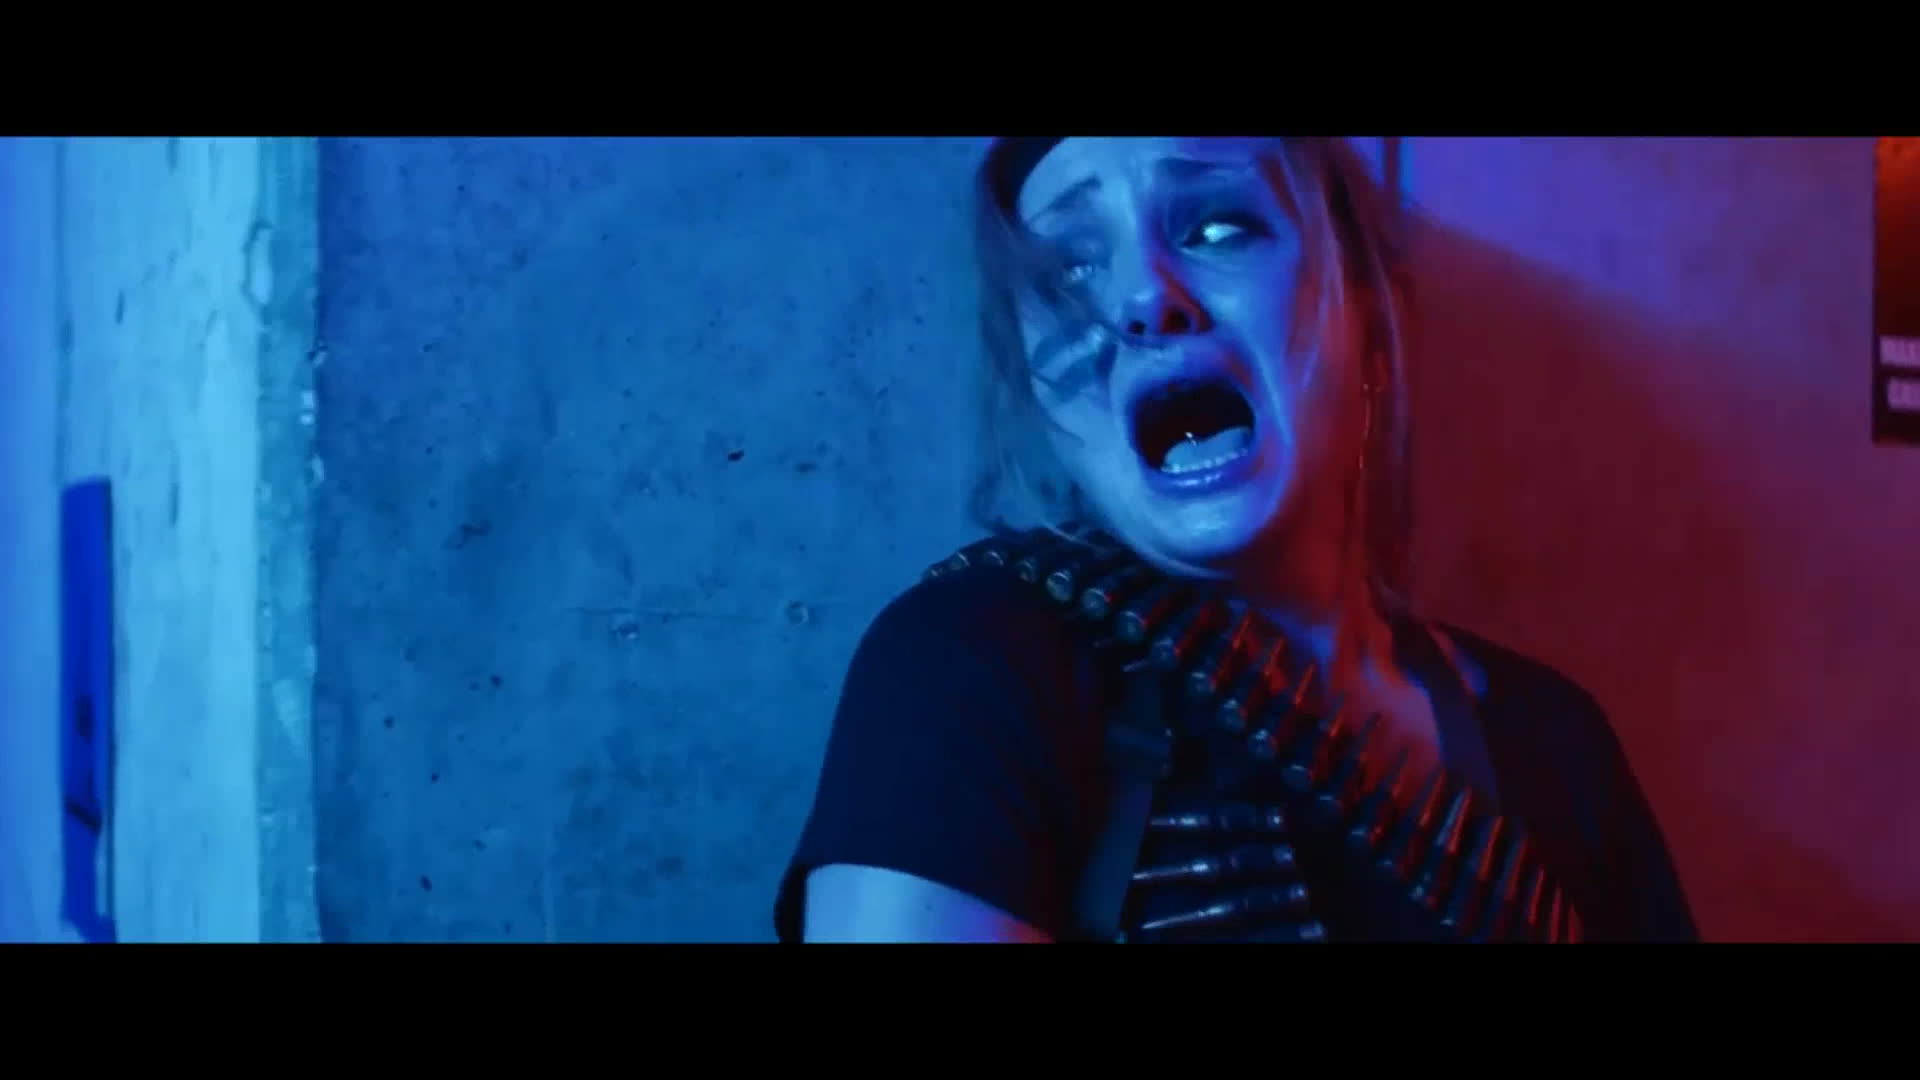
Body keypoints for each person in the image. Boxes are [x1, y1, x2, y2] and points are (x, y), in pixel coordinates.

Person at [773, 136, 1699, 943]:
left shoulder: (1554, 739)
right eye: (1070, 270)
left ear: (1366, 309)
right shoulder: (972, 666)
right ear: (1044, 398)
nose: (1145, 298)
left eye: (1219, 228)